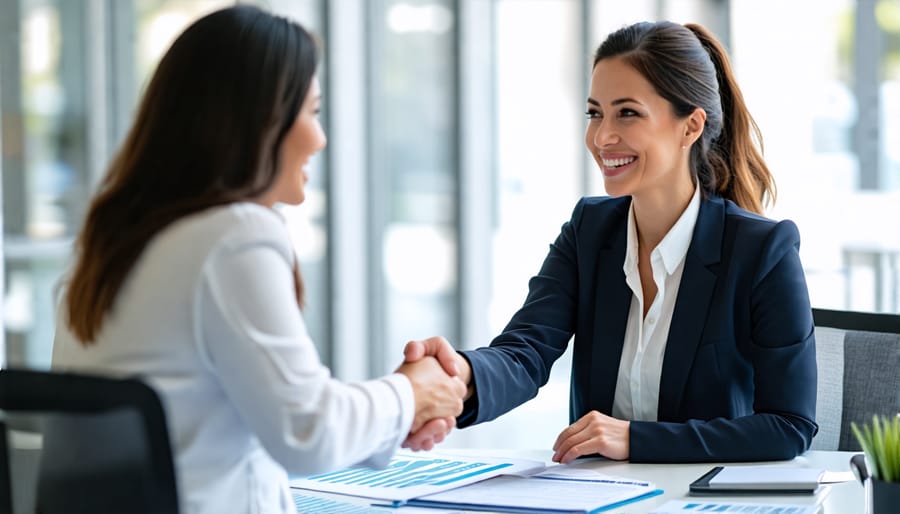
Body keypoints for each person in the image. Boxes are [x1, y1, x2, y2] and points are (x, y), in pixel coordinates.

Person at [49, 6, 465, 513]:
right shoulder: (233, 235)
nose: (321, 137)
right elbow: (308, 430)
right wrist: (411, 394)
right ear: (260, 119)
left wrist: (398, 417)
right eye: (312, 112)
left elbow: (251, 423)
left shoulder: (109, 247)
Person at [403, 20, 818, 463]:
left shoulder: (762, 251)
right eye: (595, 112)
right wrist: (456, 378)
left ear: (690, 127)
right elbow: (525, 352)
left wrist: (636, 440)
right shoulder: (589, 230)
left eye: (627, 113)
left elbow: (789, 424)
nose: (602, 137)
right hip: (597, 498)